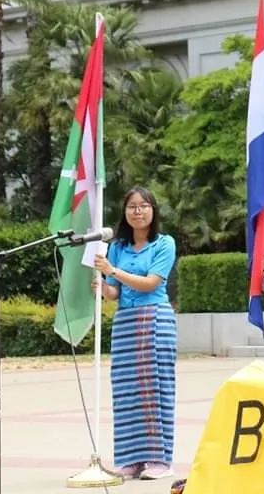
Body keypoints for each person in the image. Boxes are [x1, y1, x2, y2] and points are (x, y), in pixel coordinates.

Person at [92, 186, 177, 481]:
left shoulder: (164, 244)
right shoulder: (117, 247)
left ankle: (159, 459)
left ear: (153, 211)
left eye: (144, 206)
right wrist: (103, 288)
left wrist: (113, 272)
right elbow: (115, 293)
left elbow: (150, 283)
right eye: (132, 206)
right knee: (127, 391)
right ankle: (130, 459)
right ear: (124, 212)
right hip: (125, 322)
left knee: (154, 389)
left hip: (154, 319)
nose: (138, 211)